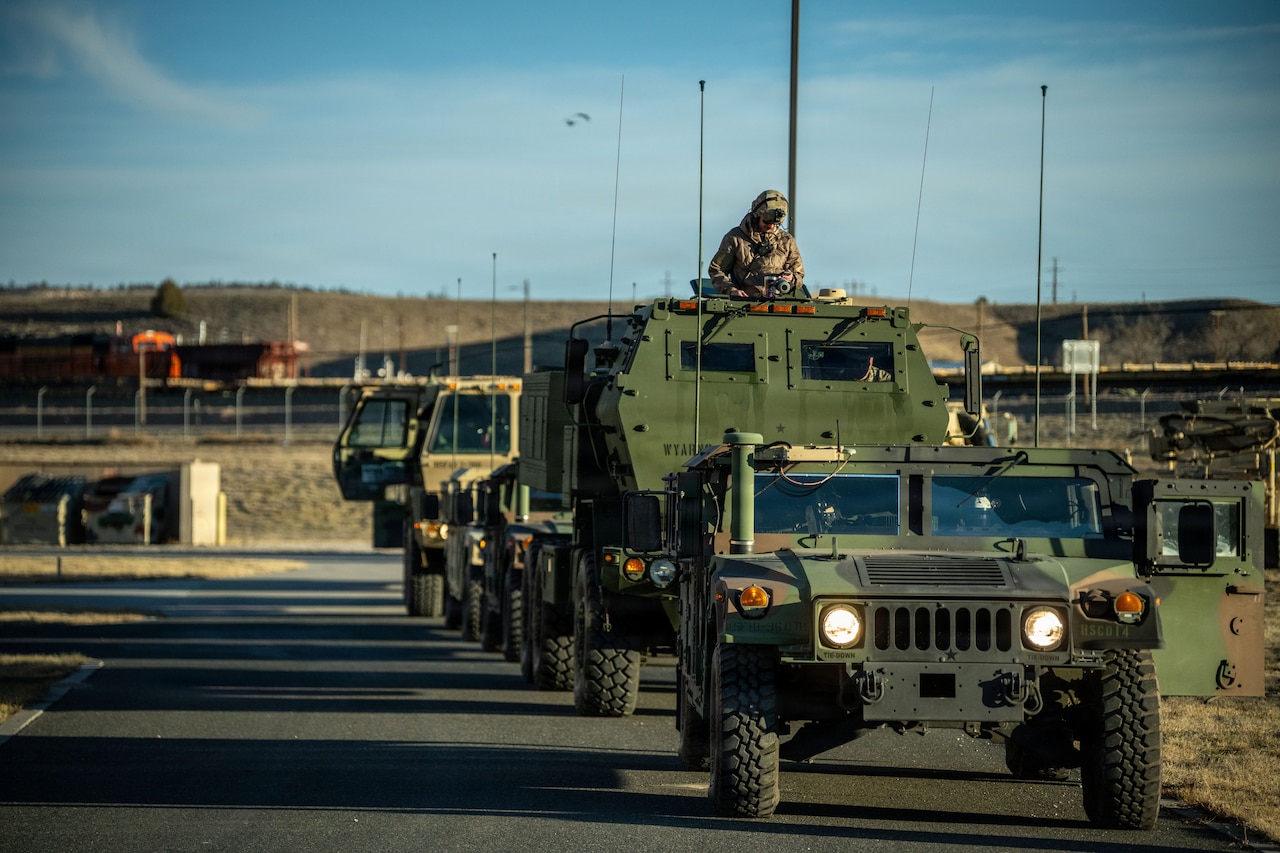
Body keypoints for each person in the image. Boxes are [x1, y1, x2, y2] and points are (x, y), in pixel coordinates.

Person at [708, 190, 804, 298]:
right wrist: (731, 290)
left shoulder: (787, 241)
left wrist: (791, 278)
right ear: (757, 215)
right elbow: (716, 270)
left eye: (776, 224)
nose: (771, 227)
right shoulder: (735, 238)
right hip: (744, 305)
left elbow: (799, 274)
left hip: (779, 305)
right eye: (767, 222)